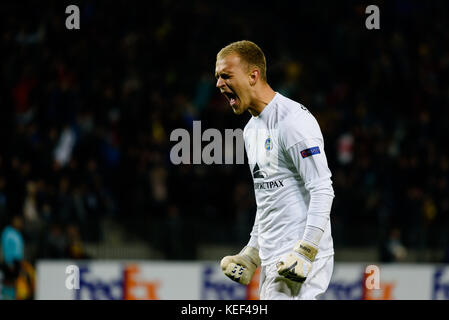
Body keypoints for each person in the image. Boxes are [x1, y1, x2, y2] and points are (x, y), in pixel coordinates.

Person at [216, 40, 335, 300]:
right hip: (276, 261)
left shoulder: (293, 121)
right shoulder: (251, 130)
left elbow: (323, 188)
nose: (218, 84)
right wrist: (251, 253)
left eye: (226, 76)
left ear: (253, 76)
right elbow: (270, 198)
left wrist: (306, 251)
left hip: (298, 262)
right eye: (217, 77)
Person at [1, 214, 25, 300]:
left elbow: (19, 248)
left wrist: (21, 261)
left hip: (17, 261)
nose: (19, 223)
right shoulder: (8, 232)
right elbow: (6, 246)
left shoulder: (18, 233)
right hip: (10, 261)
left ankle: (11, 297)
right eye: (17, 221)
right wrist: (8, 262)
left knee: (15, 282)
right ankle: (6, 297)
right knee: (8, 281)